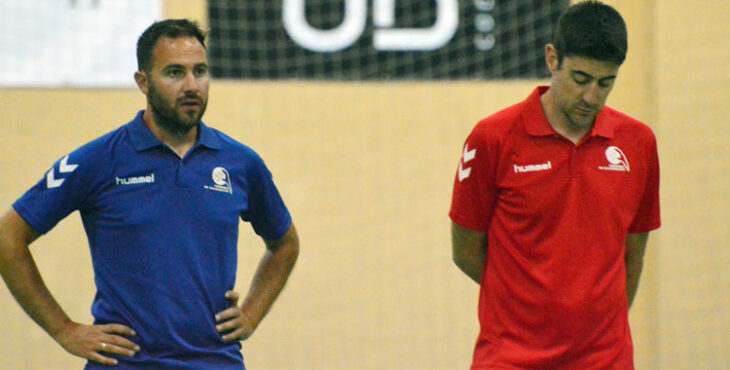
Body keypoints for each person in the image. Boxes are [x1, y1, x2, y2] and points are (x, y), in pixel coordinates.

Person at [0, 19, 299, 369]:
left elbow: (285, 244)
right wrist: (65, 330)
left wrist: (251, 314)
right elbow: (8, 237)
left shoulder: (240, 163)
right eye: (174, 73)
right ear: (143, 82)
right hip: (124, 364)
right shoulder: (98, 160)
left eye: (199, 71)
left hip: (216, 362)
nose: (191, 86)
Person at [449, 2, 660, 369]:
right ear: (552, 59)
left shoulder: (638, 143)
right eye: (580, 79)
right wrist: (527, 302)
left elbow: (633, 254)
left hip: (605, 361)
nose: (591, 97)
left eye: (605, 82)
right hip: (510, 358)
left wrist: (597, 329)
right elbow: (466, 249)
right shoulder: (493, 138)